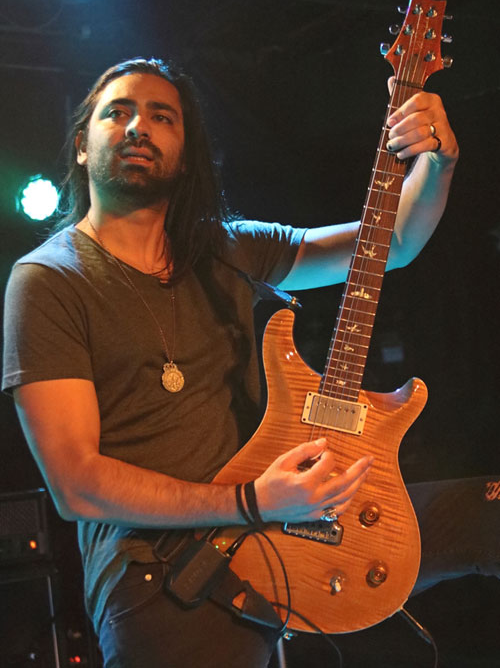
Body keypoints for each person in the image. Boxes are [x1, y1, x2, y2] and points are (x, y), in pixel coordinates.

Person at [2, 57, 459, 668]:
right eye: (118, 112)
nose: (139, 126)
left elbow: (390, 244)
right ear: (83, 146)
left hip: (271, 546)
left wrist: (438, 162)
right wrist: (252, 501)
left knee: (478, 519)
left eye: (162, 117)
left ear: (185, 155)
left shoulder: (228, 247)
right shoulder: (47, 280)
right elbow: (76, 485)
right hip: (162, 582)